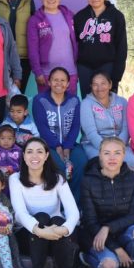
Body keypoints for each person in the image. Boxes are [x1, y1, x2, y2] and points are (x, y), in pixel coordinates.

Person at [10, 137, 83, 268]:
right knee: (41, 217)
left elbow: (73, 212)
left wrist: (64, 229)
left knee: (58, 220)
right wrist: (40, 231)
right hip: (28, 236)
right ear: (24, 156)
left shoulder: (58, 179)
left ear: (46, 155)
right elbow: (20, 214)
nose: (34, 156)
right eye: (29, 152)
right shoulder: (15, 179)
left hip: (56, 236)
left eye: (39, 151)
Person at [79, 137, 134, 268]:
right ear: (100, 155)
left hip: (123, 232)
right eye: (107, 153)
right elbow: (90, 221)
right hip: (97, 234)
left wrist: (108, 227)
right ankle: (84, 258)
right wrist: (117, 249)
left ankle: (128, 267)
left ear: (124, 155)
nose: (112, 158)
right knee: (109, 266)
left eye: (117, 153)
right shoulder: (88, 181)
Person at [32, 67, 88, 201]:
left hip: (70, 144)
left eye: (63, 80)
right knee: (60, 167)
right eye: (55, 80)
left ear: (68, 84)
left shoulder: (74, 100)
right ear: (49, 82)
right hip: (48, 145)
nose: (59, 83)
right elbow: (42, 127)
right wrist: (57, 146)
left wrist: (67, 147)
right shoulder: (40, 100)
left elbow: (75, 126)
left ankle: (75, 204)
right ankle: (59, 204)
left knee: (81, 162)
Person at [74, 0, 128, 96]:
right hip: (84, 67)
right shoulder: (79, 17)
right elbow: (74, 44)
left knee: (106, 101)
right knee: (87, 100)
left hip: (107, 66)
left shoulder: (116, 16)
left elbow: (121, 47)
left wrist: (117, 75)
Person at [27, 0, 78, 95]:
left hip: (70, 71)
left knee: (70, 104)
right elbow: (32, 49)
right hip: (46, 74)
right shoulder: (35, 20)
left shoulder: (69, 16)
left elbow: (78, 41)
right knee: (47, 105)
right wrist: (38, 72)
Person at [80, 71, 134, 169]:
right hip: (94, 144)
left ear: (110, 85)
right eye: (95, 84)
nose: (99, 88)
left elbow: (126, 128)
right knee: (102, 163)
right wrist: (107, 149)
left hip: (119, 142)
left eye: (103, 83)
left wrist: (118, 147)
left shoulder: (122, 101)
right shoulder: (86, 104)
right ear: (91, 86)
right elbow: (91, 133)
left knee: (130, 161)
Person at [0, 0, 36, 92]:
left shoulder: (28, 0)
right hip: (1, 55)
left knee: (19, 95)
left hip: (23, 56)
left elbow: (34, 27)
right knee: (1, 93)